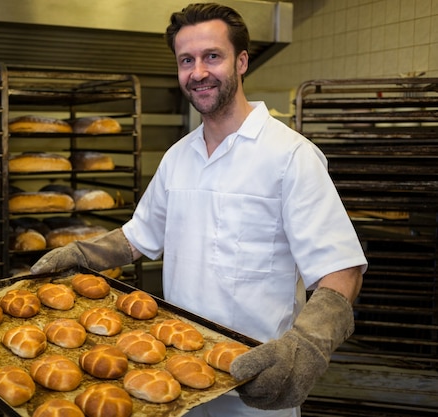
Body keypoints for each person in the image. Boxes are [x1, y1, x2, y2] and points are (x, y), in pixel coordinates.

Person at [31, 3, 367, 416]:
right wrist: (84, 254)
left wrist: (308, 344)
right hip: (174, 376)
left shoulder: (290, 156)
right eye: (186, 60)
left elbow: (341, 269)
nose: (198, 72)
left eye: (213, 56)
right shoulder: (178, 157)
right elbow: (138, 237)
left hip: (256, 386)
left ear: (241, 62)